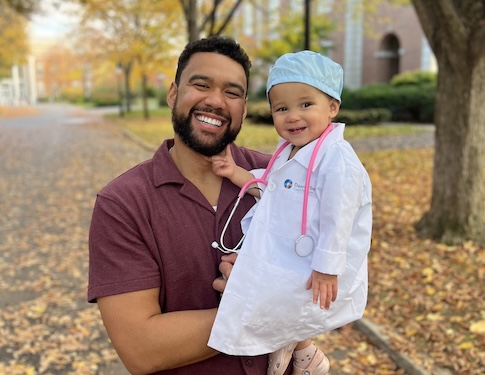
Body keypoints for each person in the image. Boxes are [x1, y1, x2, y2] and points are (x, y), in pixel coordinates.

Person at [87, 35, 293, 375]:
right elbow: (141, 348)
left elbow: (329, 260)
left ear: (243, 107)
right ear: (173, 94)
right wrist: (263, 311)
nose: (215, 101)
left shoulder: (280, 178)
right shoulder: (123, 204)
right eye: (201, 85)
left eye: (232, 92)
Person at [207, 51, 372, 375]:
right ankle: (303, 350)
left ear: (333, 107)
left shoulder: (337, 159)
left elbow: (339, 217)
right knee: (233, 272)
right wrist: (234, 173)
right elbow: (268, 186)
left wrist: (326, 267)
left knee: (259, 291)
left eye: (305, 105)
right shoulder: (289, 151)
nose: (293, 116)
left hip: (317, 260)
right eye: (282, 109)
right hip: (289, 247)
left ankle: (292, 346)